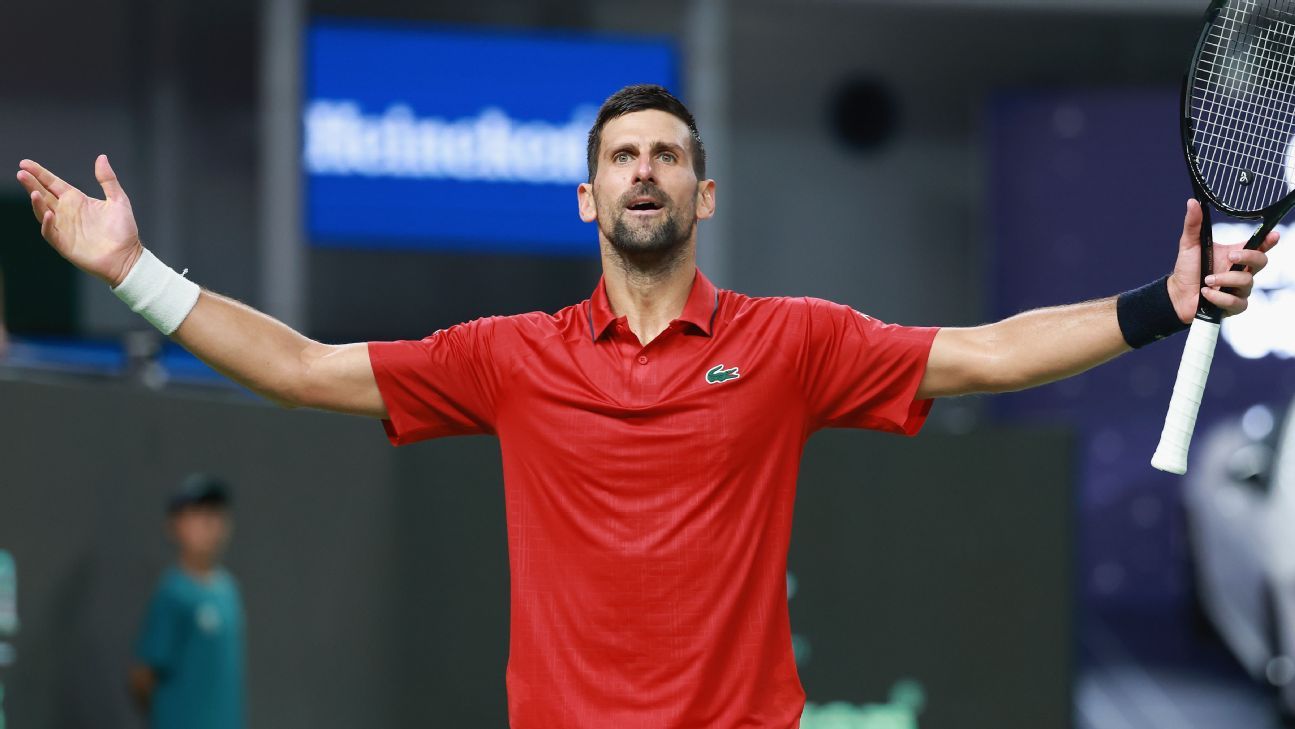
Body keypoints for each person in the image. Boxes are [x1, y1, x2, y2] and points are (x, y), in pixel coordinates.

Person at [15, 84, 1274, 729]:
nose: (644, 171)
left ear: (703, 195)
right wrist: (135, 272)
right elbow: (298, 368)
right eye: (621, 156)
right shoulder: (509, 357)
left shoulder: (791, 343)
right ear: (586, 199)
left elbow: (987, 354)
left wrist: (1160, 304)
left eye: (667, 154)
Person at [129, 474, 245, 729]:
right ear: (175, 526)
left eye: (215, 514)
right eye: (198, 514)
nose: (209, 523)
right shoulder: (173, 594)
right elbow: (143, 676)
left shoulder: (229, 591)